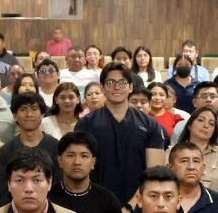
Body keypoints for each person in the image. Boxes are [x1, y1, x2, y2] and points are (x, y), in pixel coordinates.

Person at [71, 62, 169, 204]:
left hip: (139, 206)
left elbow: (153, 175)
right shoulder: (86, 124)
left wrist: (131, 207)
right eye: (110, 82)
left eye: (122, 82)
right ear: (102, 88)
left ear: (130, 87)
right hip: (95, 205)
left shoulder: (149, 124)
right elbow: (78, 169)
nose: (117, 87)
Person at [50, 131, 123, 213]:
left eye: (84, 156)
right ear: (60, 161)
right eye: (70, 155)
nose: (77, 162)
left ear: (93, 162)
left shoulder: (108, 200)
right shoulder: (48, 199)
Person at [0, 93, 60, 208]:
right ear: (14, 115)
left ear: (43, 114)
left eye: (34, 109)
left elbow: (58, 188)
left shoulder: (56, 147)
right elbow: (2, 192)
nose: (29, 114)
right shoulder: (6, 150)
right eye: (23, 109)